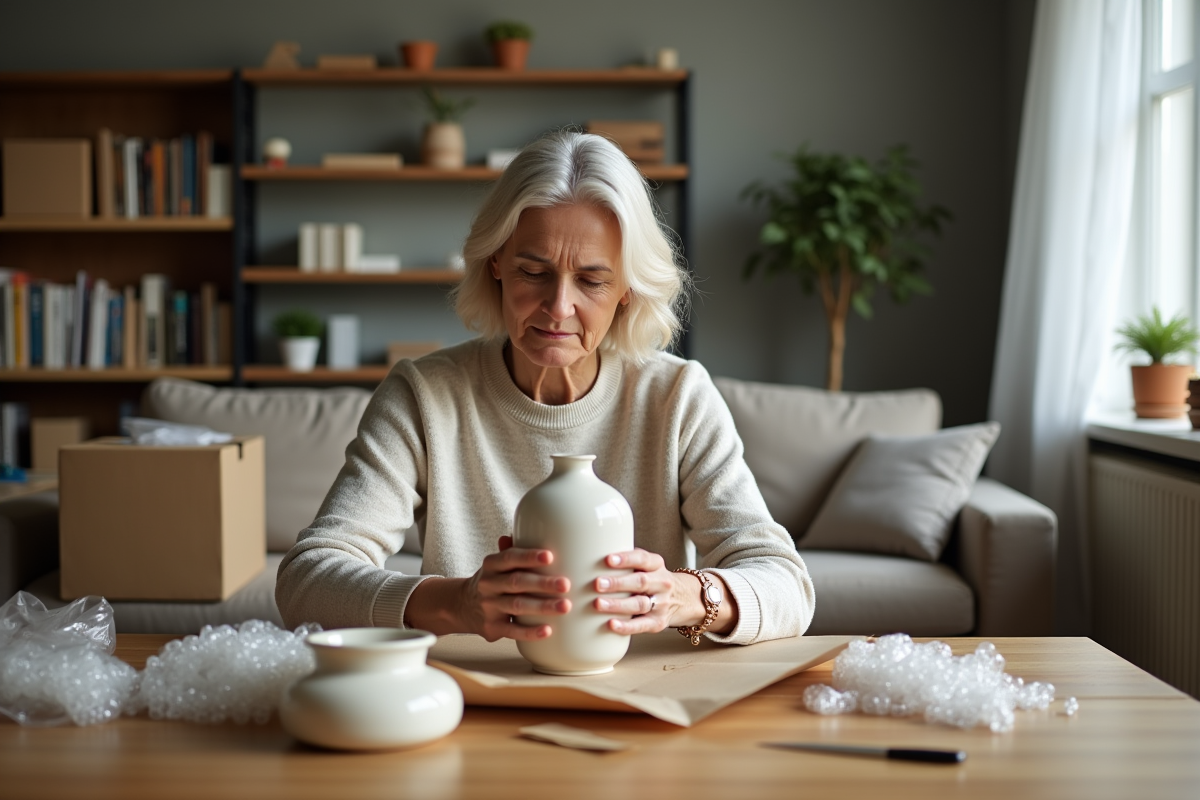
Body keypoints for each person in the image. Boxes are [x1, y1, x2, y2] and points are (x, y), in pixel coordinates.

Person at [276, 131, 815, 646]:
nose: (559, 308)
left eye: (592, 280)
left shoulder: (677, 397)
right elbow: (306, 579)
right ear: (497, 266)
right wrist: (455, 603)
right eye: (533, 272)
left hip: (638, 698)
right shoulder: (425, 396)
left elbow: (788, 585)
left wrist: (686, 595)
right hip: (473, 699)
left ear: (626, 289)